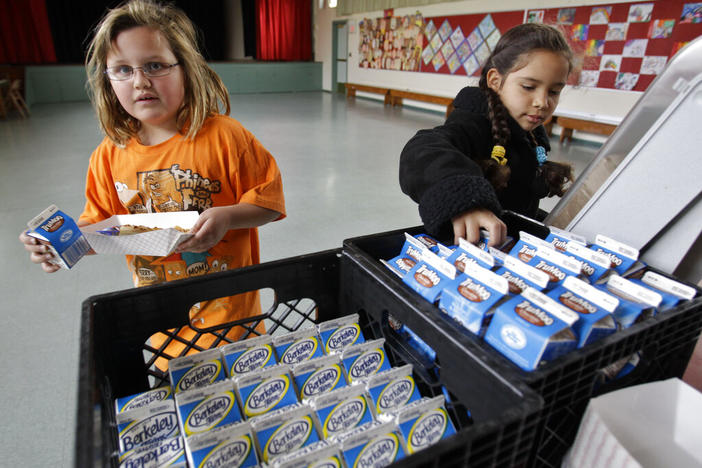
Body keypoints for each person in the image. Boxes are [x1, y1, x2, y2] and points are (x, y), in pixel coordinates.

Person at [19, 0, 285, 364]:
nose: (140, 81)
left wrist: (228, 217)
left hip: (234, 324)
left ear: (186, 68)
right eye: (123, 70)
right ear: (107, 81)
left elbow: (268, 204)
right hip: (162, 328)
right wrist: (56, 243)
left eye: (155, 66)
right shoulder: (107, 157)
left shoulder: (227, 137)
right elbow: (99, 231)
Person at [399, 23, 574, 247]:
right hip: (469, 249)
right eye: (529, 87)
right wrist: (466, 202)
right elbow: (421, 151)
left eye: (554, 91)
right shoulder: (473, 123)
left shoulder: (533, 136)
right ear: (495, 81)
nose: (543, 102)